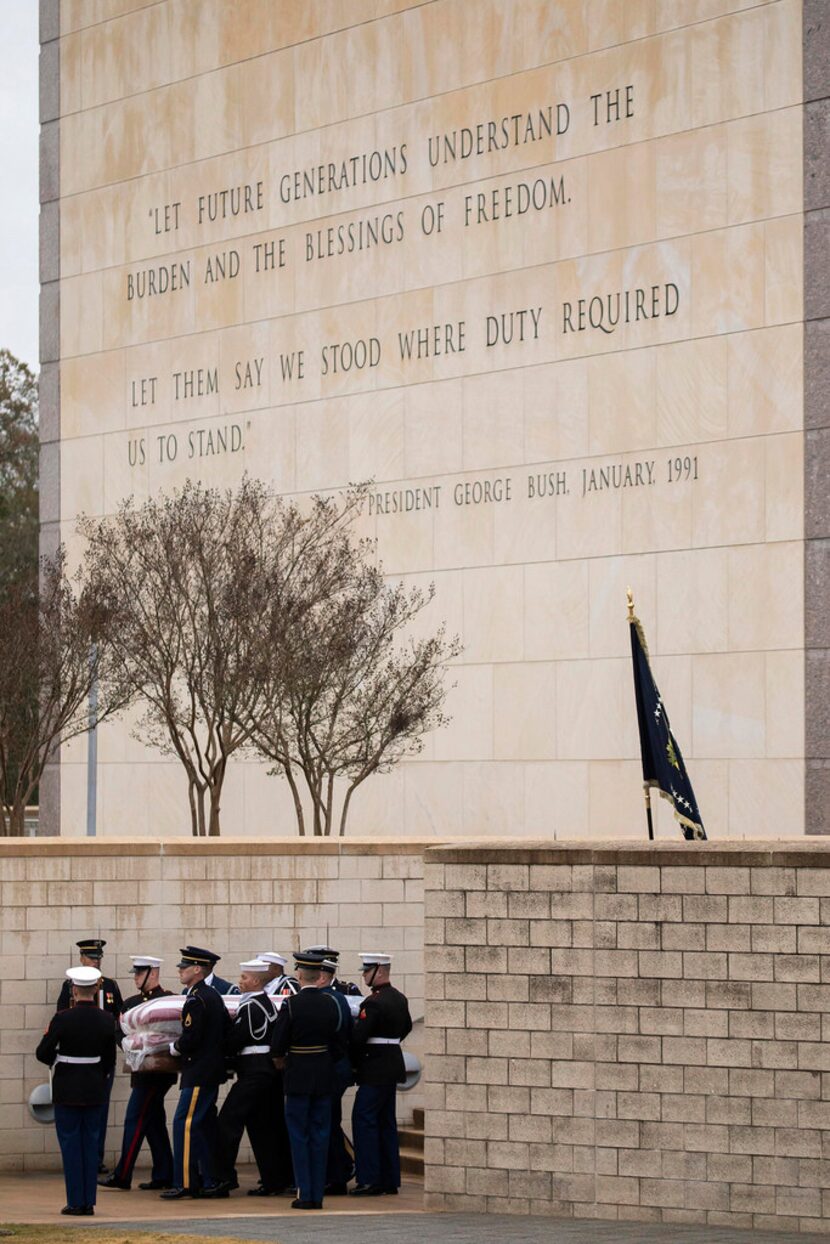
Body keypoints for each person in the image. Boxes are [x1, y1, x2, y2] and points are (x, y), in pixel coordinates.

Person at [36, 966, 117, 1216]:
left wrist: (57, 1058)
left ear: (73, 989)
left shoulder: (62, 1018)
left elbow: (42, 1052)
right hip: (94, 1089)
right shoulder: (106, 1019)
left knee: (71, 1146)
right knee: (90, 1145)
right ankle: (89, 1202)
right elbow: (109, 1060)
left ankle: (75, 1202)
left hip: (68, 1089)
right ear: (95, 989)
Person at [211, 959, 293, 1198]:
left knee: (227, 1122)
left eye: (245, 978)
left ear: (256, 981)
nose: (240, 981)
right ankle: (275, 1180)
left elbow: (239, 1038)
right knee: (263, 1126)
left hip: (254, 1070)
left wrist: (220, 1044)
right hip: (266, 1072)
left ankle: (223, 1178)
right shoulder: (265, 1003)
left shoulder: (250, 1007)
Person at [270, 950, 345, 1210]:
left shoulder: (290, 1004)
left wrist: (282, 1063)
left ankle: (306, 1193)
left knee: (299, 1135)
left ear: (300, 975)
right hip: (324, 1075)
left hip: (299, 1075)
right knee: (321, 1134)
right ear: (319, 976)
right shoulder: (330, 1002)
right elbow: (338, 1044)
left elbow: (278, 1046)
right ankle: (318, 1196)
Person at [98, 956, 176, 1192]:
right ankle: (165, 1173)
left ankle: (123, 1174)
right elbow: (118, 1031)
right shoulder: (130, 1002)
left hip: (157, 1071)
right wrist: (130, 1045)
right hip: (138, 1069)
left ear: (153, 974)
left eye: (139, 974)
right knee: (153, 1121)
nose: (135, 977)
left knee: (135, 1117)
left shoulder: (167, 1001)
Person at [160, 946, 231, 1200]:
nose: (180, 970)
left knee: (185, 1124)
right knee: (202, 1125)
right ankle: (212, 1179)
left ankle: (187, 1182)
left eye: (184, 966)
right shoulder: (211, 996)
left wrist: (173, 1047)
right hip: (208, 1070)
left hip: (199, 1071)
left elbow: (192, 1038)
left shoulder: (197, 998)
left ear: (198, 969)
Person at [55, 937, 123, 1173]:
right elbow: (61, 1016)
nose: (96, 962)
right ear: (82, 958)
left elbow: (119, 1020)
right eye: (92, 958)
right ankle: (79, 1158)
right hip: (77, 1058)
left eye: (98, 958)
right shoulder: (69, 986)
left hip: (102, 1058)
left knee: (99, 1110)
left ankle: (96, 1158)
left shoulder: (110, 986)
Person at [349, 952, 412, 1197]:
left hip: (374, 1067)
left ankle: (369, 1179)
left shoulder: (373, 1002)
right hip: (392, 1064)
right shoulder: (399, 998)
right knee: (386, 1123)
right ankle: (388, 1178)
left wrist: (354, 1061)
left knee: (364, 1121)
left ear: (380, 971)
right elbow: (406, 1027)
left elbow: (358, 1038)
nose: (364, 975)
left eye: (366, 971)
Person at [316, 953, 355, 1195]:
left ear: (321, 976)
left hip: (331, 1068)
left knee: (327, 1123)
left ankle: (338, 1172)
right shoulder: (337, 998)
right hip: (335, 1067)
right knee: (330, 1122)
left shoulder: (330, 999)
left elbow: (337, 1036)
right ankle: (337, 1172)